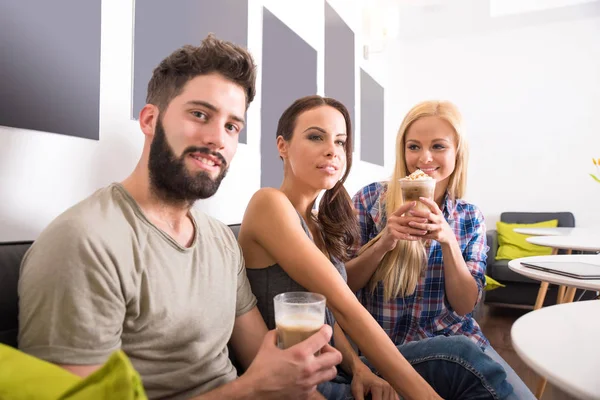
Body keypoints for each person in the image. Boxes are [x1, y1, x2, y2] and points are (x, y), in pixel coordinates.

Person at [17, 34, 342, 400]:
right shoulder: (83, 242)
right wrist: (253, 389)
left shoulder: (221, 241)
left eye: (232, 126)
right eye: (200, 114)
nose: (218, 138)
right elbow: (259, 383)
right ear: (150, 120)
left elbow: (265, 367)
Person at [238, 95, 514, 400]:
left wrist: (358, 368)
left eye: (341, 142)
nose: (332, 150)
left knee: (469, 358)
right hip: (303, 379)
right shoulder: (270, 203)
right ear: (282, 146)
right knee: (463, 357)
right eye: (316, 137)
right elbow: (345, 303)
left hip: (340, 366)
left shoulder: (317, 222)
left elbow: (329, 313)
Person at [346, 100, 535, 399]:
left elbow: (465, 306)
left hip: (458, 342)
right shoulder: (370, 200)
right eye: (414, 146)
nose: (425, 158)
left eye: (438, 146)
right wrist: (384, 243)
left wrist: (448, 241)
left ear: (457, 152)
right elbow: (343, 284)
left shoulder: (469, 216)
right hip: (390, 353)